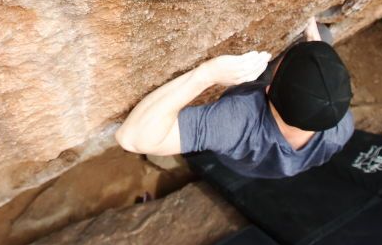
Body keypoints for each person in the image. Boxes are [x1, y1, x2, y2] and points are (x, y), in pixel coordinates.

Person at [115, 16, 354, 179]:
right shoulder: (341, 128)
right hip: (272, 166)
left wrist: (207, 74)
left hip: (239, 157)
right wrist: (318, 57)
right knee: (322, 33)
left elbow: (132, 138)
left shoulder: (239, 122)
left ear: (268, 87)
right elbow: (321, 89)